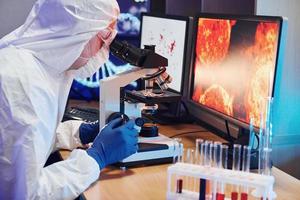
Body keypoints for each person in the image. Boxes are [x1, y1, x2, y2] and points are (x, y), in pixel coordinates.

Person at [0, 0, 138, 199]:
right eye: (105, 37)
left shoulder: (42, 67)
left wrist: (79, 133)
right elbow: (24, 194)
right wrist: (95, 158)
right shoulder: (19, 83)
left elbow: (29, 140)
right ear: (77, 34)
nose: (106, 49)